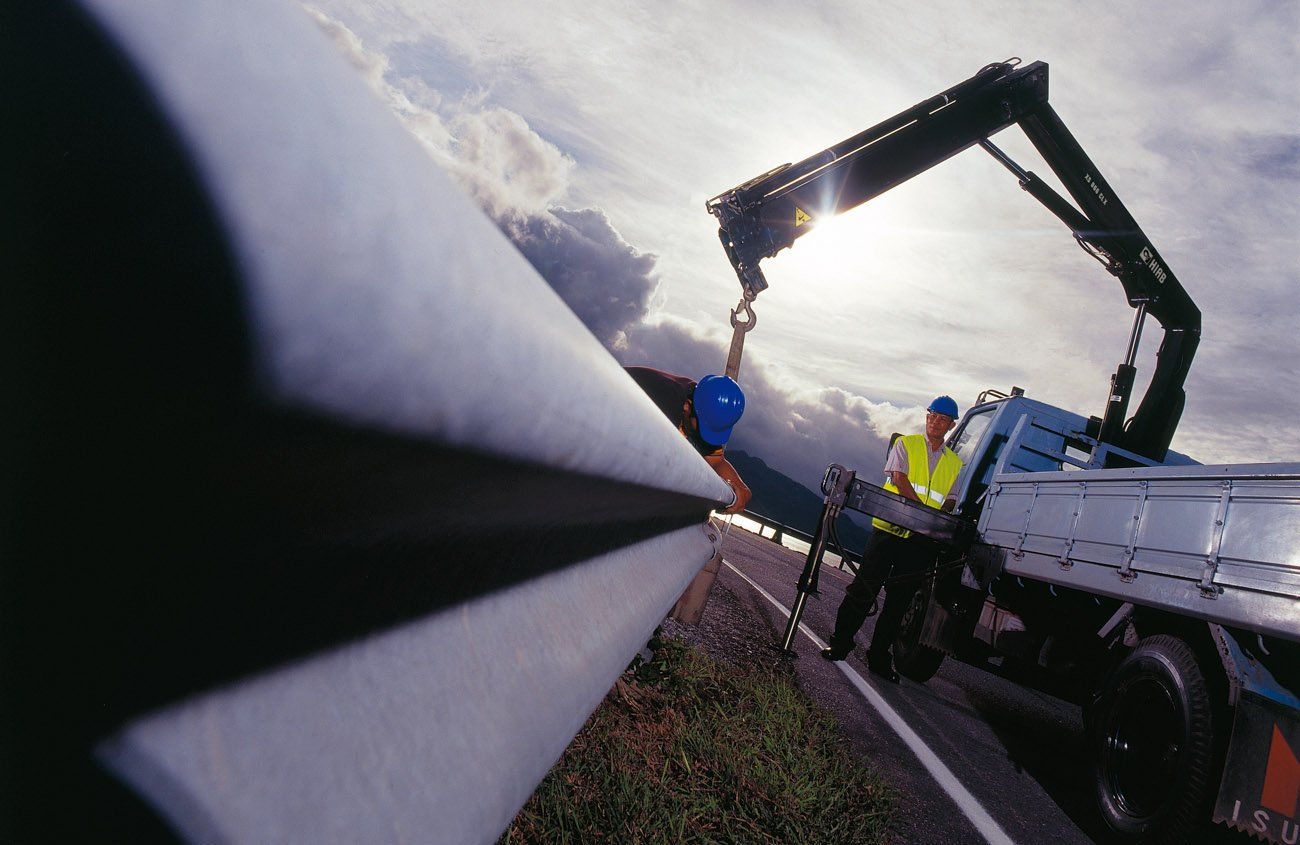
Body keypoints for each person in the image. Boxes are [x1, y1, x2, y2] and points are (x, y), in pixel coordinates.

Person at [821, 395, 964, 682]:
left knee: (898, 603)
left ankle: (878, 658)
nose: (935, 422)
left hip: (920, 543)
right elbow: (899, 478)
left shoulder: (955, 464)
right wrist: (923, 514)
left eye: (942, 419)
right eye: (932, 415)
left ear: (951, 425)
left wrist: (933, 521)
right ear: (927, 417)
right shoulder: (905, 444)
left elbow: (950, 501)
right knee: (863, 589)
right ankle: (840, 643)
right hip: (889, 532)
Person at [625, 366, 752, 514]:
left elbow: (716, 461)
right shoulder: (661, 404)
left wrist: (742, 488)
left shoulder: (707, 405)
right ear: (687, 406)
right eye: (702, 428)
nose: (704, 436)